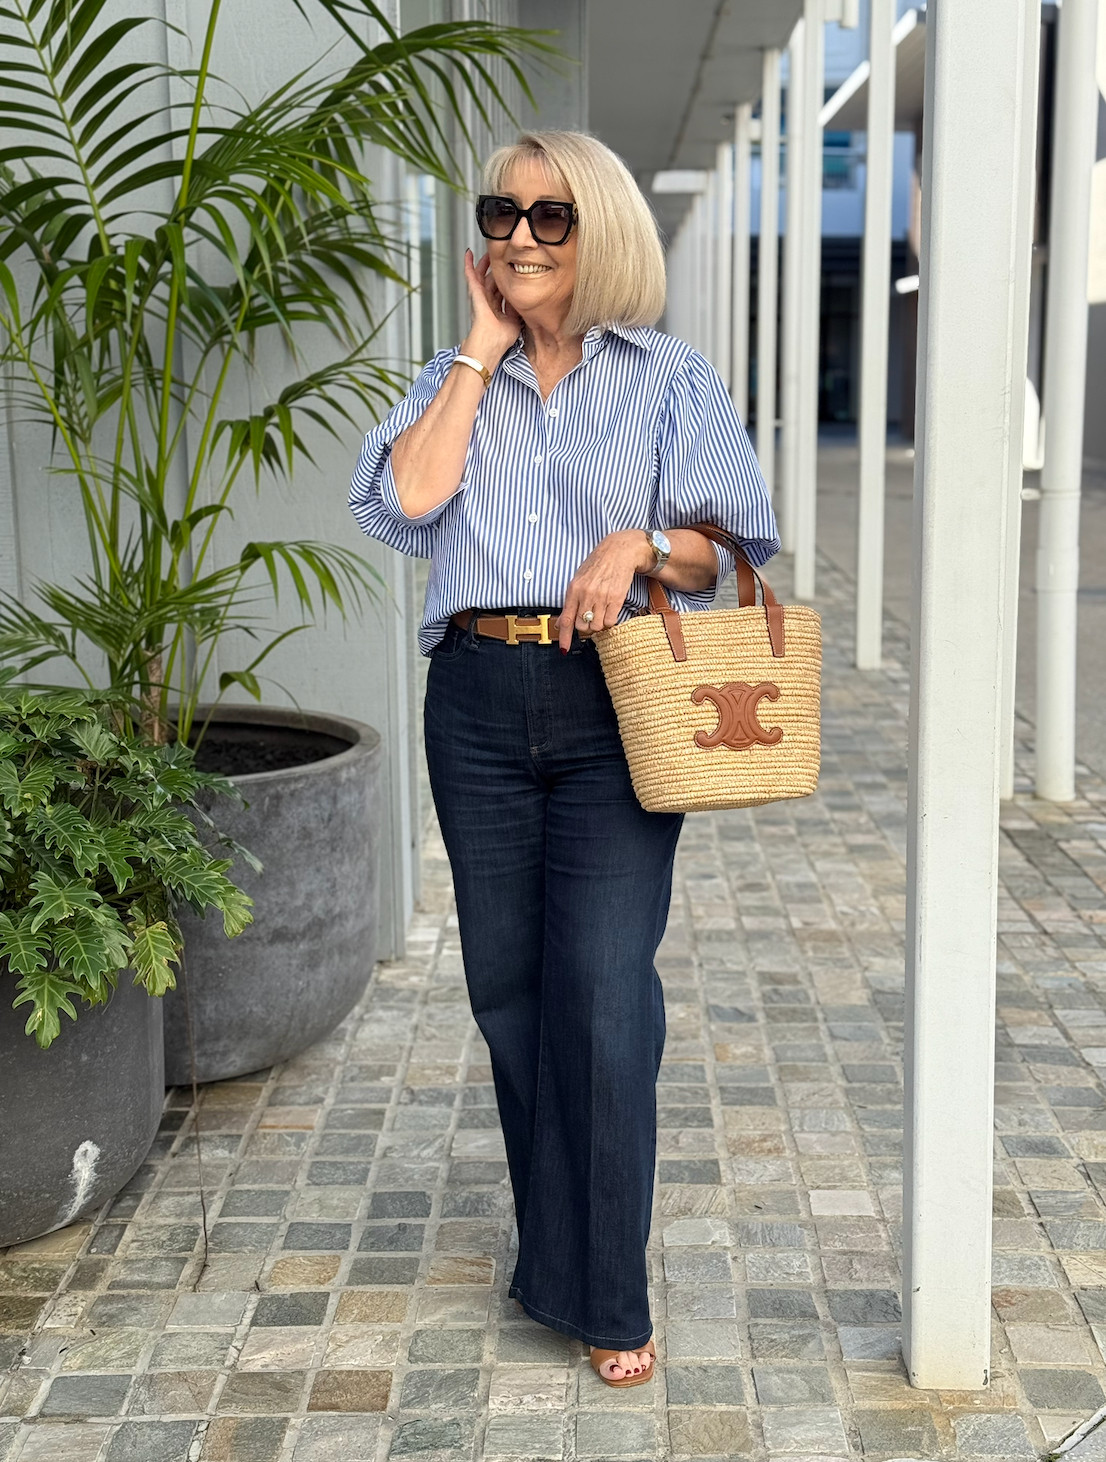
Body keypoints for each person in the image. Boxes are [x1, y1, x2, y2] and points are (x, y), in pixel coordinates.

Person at [350, 129, 778, 1387]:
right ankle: (558, 1259)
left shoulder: (664, 376)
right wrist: (478, 355)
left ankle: (604, 1288)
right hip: (476, 698)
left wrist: (635, 542)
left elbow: (725, 542)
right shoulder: (450, 376)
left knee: (599, 990)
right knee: (510, 994)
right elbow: (404, 506)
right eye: (502, 215)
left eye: (551, 218)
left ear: (599, 233)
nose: (521, 237)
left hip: (615, 698)